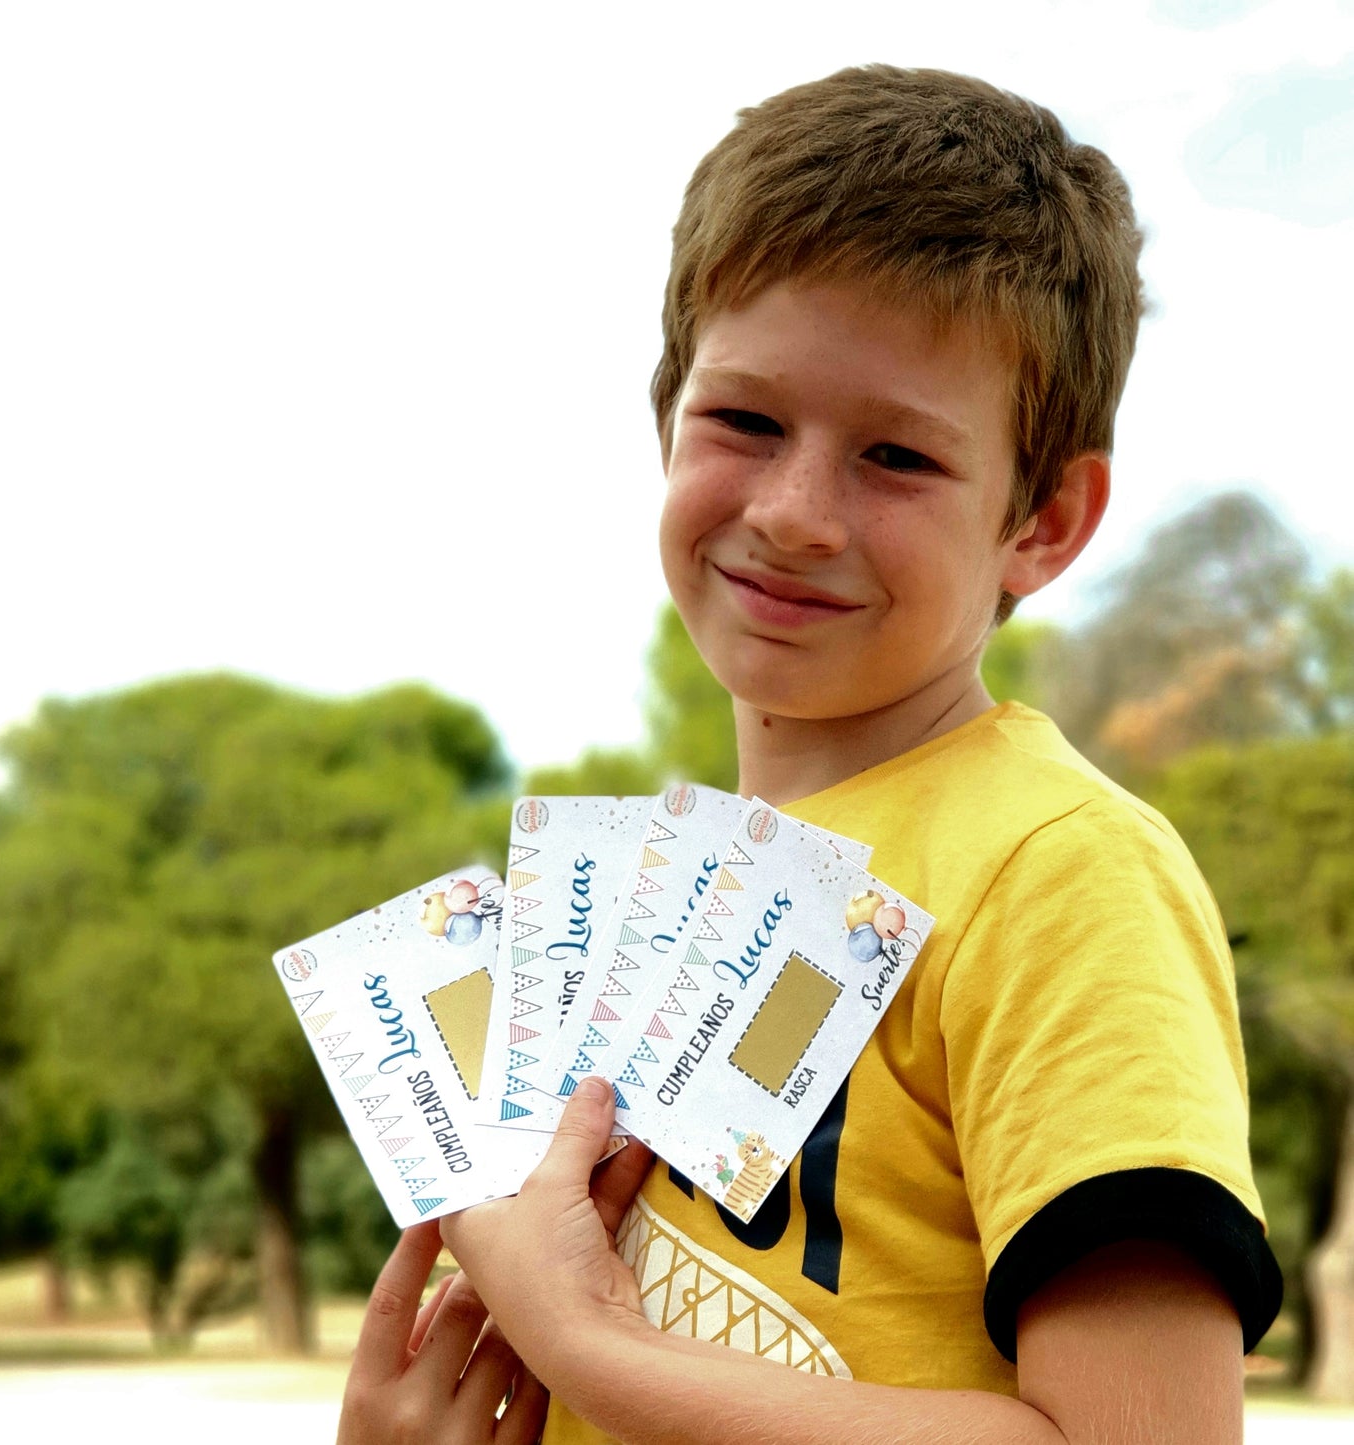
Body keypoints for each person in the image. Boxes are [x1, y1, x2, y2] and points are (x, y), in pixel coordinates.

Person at [338, 64, 1283, 1444]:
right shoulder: (654, 906)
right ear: (664, 415)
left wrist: (580, 1339)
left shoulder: (1057, 872)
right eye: (745, 420)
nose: (791, 513)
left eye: (896, 456)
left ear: (1044, 519)